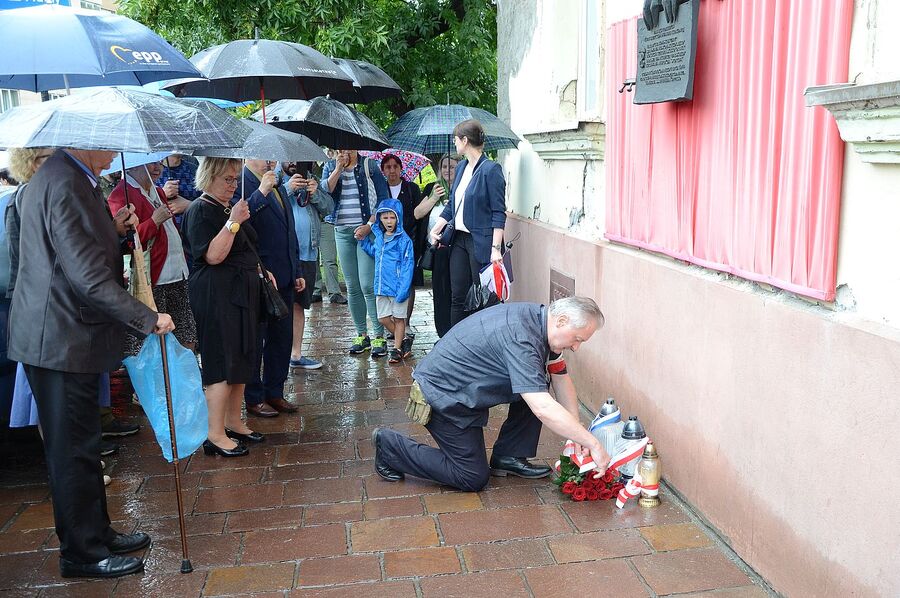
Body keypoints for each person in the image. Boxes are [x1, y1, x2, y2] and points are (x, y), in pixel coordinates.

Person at [8, 148, 175, 579]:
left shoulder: (66, 177)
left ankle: (97, 532)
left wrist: (115, 232)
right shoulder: (63, 181)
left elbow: (71, 251)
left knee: (84, 444)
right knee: (73, 451)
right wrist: (147, 317)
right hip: (60, 336)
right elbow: (85, 276)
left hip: (63, 334)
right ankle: (82, 552)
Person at [372, 296, 610, 492]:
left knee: (536, 382)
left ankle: (509, 456)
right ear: (561, 321)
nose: (576, 347)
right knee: (471, 477)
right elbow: (543, 408)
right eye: (577, 339)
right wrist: (592, 443)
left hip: (461, 391)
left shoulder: (539, 321)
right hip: (443, 397)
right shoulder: (523, 339)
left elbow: (560, 377)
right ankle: (390, 446)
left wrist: (578, 434)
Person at [181, 157, 266, 456]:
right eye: (227, 179)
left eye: (234, 178)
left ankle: (233, 420)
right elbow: (214, 256)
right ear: (209, 177)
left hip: (239, 292)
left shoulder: (226, 208)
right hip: (216, 295)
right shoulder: (200, 210)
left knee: (241, 357)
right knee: (221, 361)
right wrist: (234, 223)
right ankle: (214, 434)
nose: (232, 184)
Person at [233, 159, 305, 418]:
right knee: (257, 338)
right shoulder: (242, 182)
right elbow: (239, 223)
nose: (270, 160)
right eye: (264, 154)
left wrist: (296, 269)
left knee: (281, 338)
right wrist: (261, 191)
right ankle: (253, 397)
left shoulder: (278, 183)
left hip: (284, 274)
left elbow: (289, 231)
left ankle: (275, 390)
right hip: (260, 276)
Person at [107, 159, 195, 353]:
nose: (157, 168)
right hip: (152, 279)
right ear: (132, 164)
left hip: (178, 272)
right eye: (150, 163)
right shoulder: (121, 194)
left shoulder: (157, 191)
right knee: (155, 341)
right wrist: (154, 221)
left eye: (159, 163)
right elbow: (128, 241)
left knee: (186, 335)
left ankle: (181, 380)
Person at [429, 120, 507, 328]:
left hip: (481, 243)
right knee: (458, 295)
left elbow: (499, 213)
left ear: (465, 140)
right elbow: (454, 203)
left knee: (484, 297)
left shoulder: (491, 170)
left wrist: (495, 249)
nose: (454, 144)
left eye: (456, 139)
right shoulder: (462, 166)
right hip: (460, 240)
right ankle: (455, 346)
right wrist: (437, 227)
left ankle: (485, 346)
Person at [321, 149, 390, 357]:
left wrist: (369, 225)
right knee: (352, 286)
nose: (345, 151)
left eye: (349, 146)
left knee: (367, 285)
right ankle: (361, 334)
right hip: (342, 231)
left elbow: (383, 198)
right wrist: (338, 167)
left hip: (365, 232)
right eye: (341, 147)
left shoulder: (369, 165)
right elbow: (325, 192)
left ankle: (379, 336)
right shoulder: (330, 166)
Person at [285, 161, 334, 370]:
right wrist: (287, 189)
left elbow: (329, 208)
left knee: (299, 305)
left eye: (298, 158)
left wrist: (316, 193)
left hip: (308, 253)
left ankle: (296, 354)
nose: (293, 162)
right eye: (289, 158)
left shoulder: (312, 179)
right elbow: (263, 204)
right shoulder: (273, 179)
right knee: (279, 305)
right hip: (283, 253)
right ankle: (276, 353)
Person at [359, 199, 415, 364]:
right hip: (381, 286)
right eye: (385, 218)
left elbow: (408, 266)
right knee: (383, 318)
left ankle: (396, 349)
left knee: (399, 319)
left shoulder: (404, 241)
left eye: (392, 217)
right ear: (380, 219)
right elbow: (374, 253)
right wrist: (363, 241)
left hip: (398, 288)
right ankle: (404, 339)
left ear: (398, 218)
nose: (389, 221)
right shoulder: (379, 238)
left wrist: (403, 290)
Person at [381, 155, 423, 342]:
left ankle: (404, 322)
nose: (392, 170)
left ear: (401, 169)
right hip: (387, 244)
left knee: (408, 282)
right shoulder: (381, 189)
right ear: (383, 170)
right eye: (388, 167)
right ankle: (392, 322)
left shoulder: (411, 188)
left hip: (408, 243)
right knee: (389, 282)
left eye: (395, 166)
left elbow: (419, 216)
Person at [416, 154, 458, 337]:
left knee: (457, 293)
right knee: (440, 293)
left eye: (453, 167)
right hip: (438, 250)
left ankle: (457, 331)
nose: (448, 170)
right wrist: (434, 198)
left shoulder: (464, 188)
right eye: (444, 167)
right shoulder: (431, 188)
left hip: (458, 249)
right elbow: (417, 213)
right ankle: (443, 333)